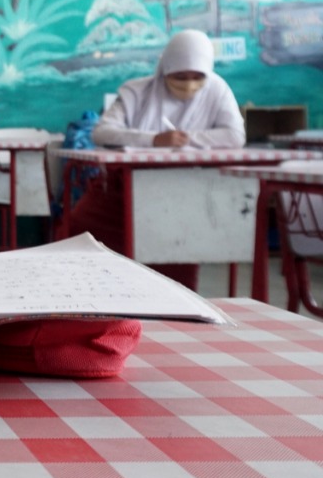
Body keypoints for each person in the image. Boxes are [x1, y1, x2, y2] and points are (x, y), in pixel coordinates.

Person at [63, 29, 246, 288]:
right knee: (80, 229)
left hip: (183, 195)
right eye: (179, 77)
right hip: (121, 190)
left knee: (172, 261)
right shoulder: (136, 92)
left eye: (197, 77)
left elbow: (235, 136)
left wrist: (186, 138)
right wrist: (154, 140)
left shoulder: (217, 89)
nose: (189, 84)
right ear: (165, 69)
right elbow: (102, 132)